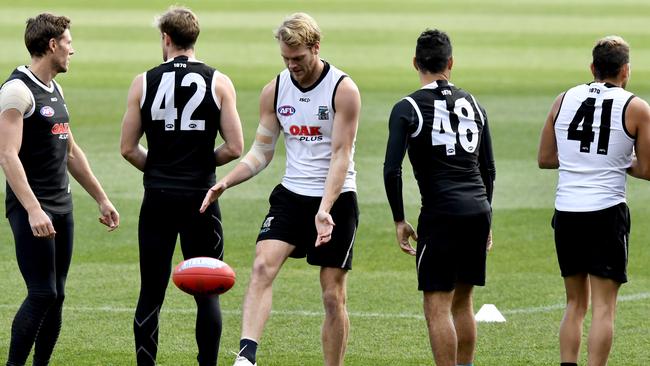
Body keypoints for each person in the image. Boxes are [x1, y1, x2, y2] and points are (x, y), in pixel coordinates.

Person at [200, 12, 361, 366]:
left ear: (316, 47)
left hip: (336, 199)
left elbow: (340, 155)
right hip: (291, 195)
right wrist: (227, 179)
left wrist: (325, 208)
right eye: (286, 59)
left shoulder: (343, 90)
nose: (292, 66)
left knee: (333, 295)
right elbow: (261, 151)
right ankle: (246, 357)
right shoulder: (275, 90)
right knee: (261, 267)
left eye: (299, 59)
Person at [119, 6, 244, 366]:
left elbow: (128, 148)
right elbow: (235, 147)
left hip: (157, 198)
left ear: (166, 39)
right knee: (208, 292)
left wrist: (158, 168)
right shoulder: (219, 81)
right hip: (201, 199)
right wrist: (201, 165)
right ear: (194, 39)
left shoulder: (143, 82)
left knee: (151, 294)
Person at [0, 13, 120, 366]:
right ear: (52, 45)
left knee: (58, 295)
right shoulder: (17, 91)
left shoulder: (56, 89)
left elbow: (70, 150)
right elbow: (7, 155)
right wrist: (34, 209)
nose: (72, 49)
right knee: (42, 292)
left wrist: (101, 197)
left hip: (61, 206)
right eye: (68, 42)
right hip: (31, 208)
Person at [383, 29, 495, 366]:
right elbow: (488, 168)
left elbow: (392, 169)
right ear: (451, 63)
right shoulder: (474, 103)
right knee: (463, 302)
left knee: (437, 306)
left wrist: (400, 219)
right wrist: (487, 214)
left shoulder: (407, 107)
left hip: (441, 214)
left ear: (415, 62)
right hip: (478, 209)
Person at [538, 35, 650, 366]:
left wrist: (580, 160)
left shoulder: (563, 99)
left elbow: (545, 158)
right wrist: (619, 161)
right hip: (606, 213)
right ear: (626, 70)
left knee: (574, 304)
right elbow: (647, 169)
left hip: (567, 212)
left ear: (592, 67)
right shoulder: (636, 107)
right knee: (604, 307)